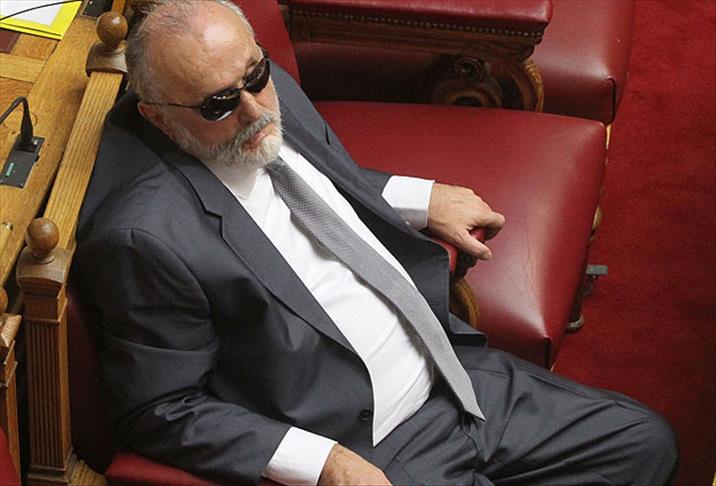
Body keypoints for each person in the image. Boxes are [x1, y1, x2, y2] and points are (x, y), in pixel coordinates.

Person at [75, 1, 678, 484]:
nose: (255, 110)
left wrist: (418, 198)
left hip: (455, 373)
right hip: (369, 443)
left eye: (255, 76)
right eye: (220, 103)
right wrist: (324, 464)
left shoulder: (254, 92)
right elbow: (161, 410)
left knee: (644, 445)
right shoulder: (143, 239)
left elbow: (311, 177)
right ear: (159, 118)